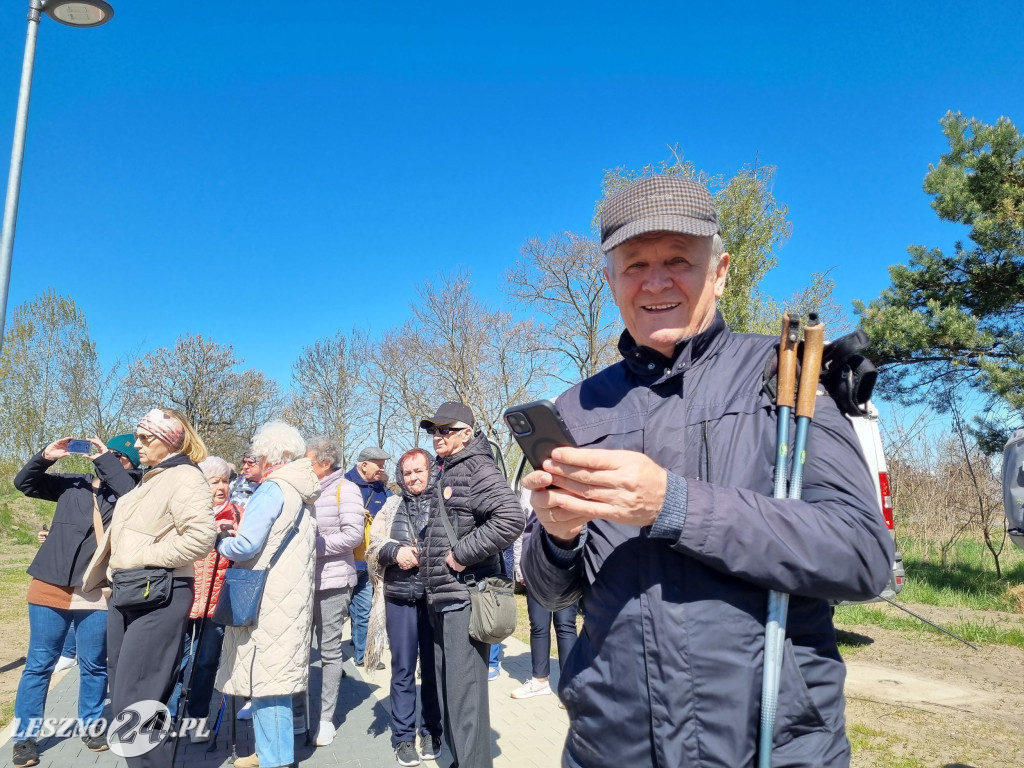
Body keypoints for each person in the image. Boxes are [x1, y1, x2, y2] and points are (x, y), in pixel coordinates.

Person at [520, 176, 895, 768]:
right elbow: (549, 591)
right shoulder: (575, 409)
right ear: (611, 280)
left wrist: (674, 505)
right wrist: (558, 537)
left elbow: (863, 556)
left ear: (720, 271)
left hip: (770, 747)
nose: (656, 280)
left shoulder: (784, 379)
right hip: (609, 749)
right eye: (635, 263)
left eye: (678, 260)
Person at [82, 409, 216, 768]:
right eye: (138, 437)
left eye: (146, 438)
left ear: (170, 440)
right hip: (131, 590)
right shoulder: (153, 478)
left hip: (160, 593)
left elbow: (202, 538)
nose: (138, 445)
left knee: (137, 698)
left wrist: (143, 556)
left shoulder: (184, 477)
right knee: (124, 694)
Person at [10, 434, 141, 767]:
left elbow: (128, 491)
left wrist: (105, 459)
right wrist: (46, 455)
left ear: (126, 463)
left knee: (94, 664)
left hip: (95, 588)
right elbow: (24, 483)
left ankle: (92, 726)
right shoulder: (73, 484)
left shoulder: (131, 492)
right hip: (50, 584)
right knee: (39, 664)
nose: (106, 459)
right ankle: (26, 736)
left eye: (117, 457)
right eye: (105, 453)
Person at [419, 402, 524, 768]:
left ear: (467, 433)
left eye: (446, 430)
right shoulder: (446, 469)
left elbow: (511, 518)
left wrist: (462, 554)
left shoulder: (477, 466)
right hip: (443, 597)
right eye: (434, 430)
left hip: (464, 595)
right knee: (450, 693)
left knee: (465, 698)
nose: (438, 436)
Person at [216, 422, 319, 768]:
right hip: (288, 598)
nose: (254, 461)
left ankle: (277, 760)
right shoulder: (300, 491)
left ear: (271, 456)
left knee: (268, 686)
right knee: (276, 681)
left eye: (258, 454)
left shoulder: (273, 490)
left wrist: (220, 541)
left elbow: (246, 545)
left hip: (268, 601)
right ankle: (269, 752)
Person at [368, 448, 444, 767]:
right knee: (402, 668)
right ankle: (402, 736)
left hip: (435, 599)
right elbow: (374, 546)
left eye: (419, 471)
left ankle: (430, 730)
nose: (413, 477)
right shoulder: (391, 504)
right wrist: (395, 551)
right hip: (398, 598)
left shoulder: (445, 504)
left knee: (432, 668)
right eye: (408, 472)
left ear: (431, 471)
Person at [169, 456, 242, 742]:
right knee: (175, 661)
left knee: (207, 662)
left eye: (225, 481)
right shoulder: (186, 514)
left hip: (218, 602)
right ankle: (169, 716)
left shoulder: (238, 513)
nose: (221, 487)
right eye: (214, 482)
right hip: (183, 598)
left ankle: (197, 719)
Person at [304, 435, 364, 747]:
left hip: (334, 582)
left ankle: (326, 719)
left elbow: (353, 535)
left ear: (325, 464)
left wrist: (310, 547)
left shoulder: (347, 489)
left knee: (328, 651)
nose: (304, 466)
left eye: (308, 461)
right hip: (302, 582)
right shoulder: (306, 491)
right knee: (299, 650)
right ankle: (300, 711)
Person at [510, 512, 578, 704]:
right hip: (537, 571)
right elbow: (524, 532)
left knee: (565, 626)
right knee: (538, 626)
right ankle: (539, 680)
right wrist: (520, 565)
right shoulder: (536, 496)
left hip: (567, 570)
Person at [345, 446, 392, 668]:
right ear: (364, 465)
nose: (382, 469)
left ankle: (362, 654)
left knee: (363, 609)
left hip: (368, 561)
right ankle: (333, 661)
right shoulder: (343, 485)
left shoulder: (381, 490)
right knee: (339, 615)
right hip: (343, 561)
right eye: (379, 465)